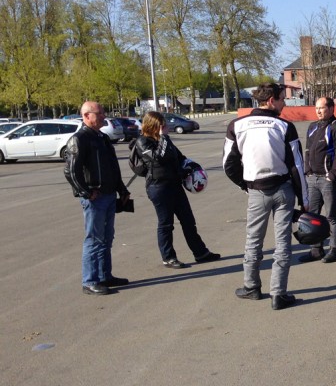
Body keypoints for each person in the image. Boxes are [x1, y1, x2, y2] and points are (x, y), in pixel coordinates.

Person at [223, 83, 308, 310]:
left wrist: (246, 185)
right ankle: (278, 295)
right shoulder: (284, 126)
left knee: (253, 241)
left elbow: (228, 164)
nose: (285, 103)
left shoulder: (237, 125)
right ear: (271, 100)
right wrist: (305, 200)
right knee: (283, 244)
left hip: (256, 191)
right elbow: (297, 166)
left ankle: (251, 287)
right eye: (282, 99)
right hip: (283, 190)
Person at [134, 111, 220, 269]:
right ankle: (168, 257)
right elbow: (158, 157)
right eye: (162, 125)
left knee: (188, 221)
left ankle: (200, 252)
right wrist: (164, 137)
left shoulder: (165, 141)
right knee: (166, 224)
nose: (166, 127)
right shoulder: (143, 141)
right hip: (158, 187)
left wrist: (192, 165)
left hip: (174, 184)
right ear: (153, 126)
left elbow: (179, 157)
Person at [64, 101, 131, 295]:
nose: (103, 116)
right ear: (86, 116)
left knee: (106, 238)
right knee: (93, 239)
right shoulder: (79, 139)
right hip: (95, 198)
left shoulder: (102, 137)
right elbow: (70, 171)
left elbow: (113, 167)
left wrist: (122, 189)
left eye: (103, 112)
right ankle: (90, 281)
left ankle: (104, 276)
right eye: (99, 113)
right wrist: (86, 191)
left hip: (109, 195)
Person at [299, 96, 336, 263]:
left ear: (331, 109)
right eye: (316, 108)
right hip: (312, 178)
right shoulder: (313, 127)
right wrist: (307, 171)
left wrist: (333, 175)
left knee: (332, 216)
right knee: (312, 215)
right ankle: (316, 250)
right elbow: (307, 151)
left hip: (329, 180)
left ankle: (335, 250)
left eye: (322, 108)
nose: (318, 111)